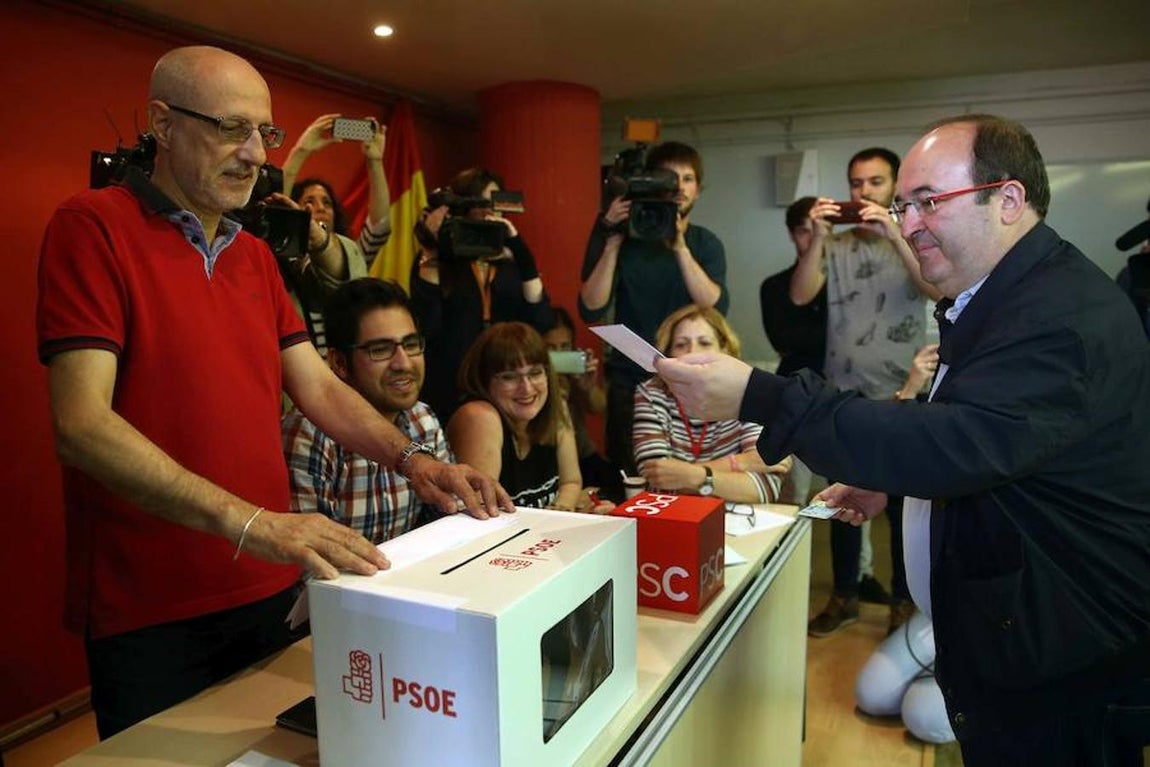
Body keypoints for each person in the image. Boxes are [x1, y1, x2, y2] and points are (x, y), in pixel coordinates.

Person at [35, 46, 508, 739]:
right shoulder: (91, 226)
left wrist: (418, 461)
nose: (256, 153)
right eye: (232, 128)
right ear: (163, 124)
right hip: (152, 603)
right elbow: (79, 422)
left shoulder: (256, 254)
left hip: (268, 586)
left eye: (266, 133)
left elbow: (316, 382)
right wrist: (255, 523)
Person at [655, 114, 1150, 767]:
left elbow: (956, 442)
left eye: (927, 202)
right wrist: (891, 480)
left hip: (1062, 659)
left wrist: (760, 394)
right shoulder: (999, 297)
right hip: (1021, 638)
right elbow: (982, 432)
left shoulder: (1058, 317)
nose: (907, 223)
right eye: (902, 205)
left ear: (1007, 200)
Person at [792, 147, 939, 637]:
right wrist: (817, 236)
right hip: (843, 395)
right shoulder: (834, 243)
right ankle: (845, 595)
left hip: (904, 391)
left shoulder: (916, 236)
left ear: (894, 188)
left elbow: (935, 290)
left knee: (901, 506)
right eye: (856, 183)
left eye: (875, 183)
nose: (863, 192)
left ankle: (902, 600)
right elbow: (800, 294)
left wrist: (895, 231)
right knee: (842, 501)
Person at [579, 140, 728, 476]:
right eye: (669, 178)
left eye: (687, 179)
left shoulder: (705, 243)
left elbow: (714, 309)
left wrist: (679, 246)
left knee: (687, 475)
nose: (678, 187)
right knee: (630, 476)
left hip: (691, 379)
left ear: (698, 189)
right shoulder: (619, 233)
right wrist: (613, 238)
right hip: (630, 379)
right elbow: (591, 306)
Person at [284, 278, 451, 544]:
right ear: (339, 362)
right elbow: (311, 563)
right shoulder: (310, 432)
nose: (403, 363)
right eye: (381, 350)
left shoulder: (423, 419)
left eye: (410, 344)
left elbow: (448, 525)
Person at [411, 167, 554, 420]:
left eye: (495, 203)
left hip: (507, 385)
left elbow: (540, 322)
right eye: (480, 202)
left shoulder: (510, 262)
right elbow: (428, 326)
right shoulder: (436, 262)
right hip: (450, 388)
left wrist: (522, 254)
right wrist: (433, 251)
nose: (489, 211)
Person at [633, 304, 790, 503]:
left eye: (705, 343)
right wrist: (739, 463)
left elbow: (764, 489)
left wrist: (690, 475)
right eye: (681, 345)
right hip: (672, 518)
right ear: (668, 354)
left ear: (725, 350)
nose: (692, 353)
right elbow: (657, 478)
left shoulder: (747, 391)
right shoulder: (651, 393)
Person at [449, 322, 606, 512]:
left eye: (535, 373)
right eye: (509, 377)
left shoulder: (555, 406)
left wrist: (560, 510)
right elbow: (483, 513)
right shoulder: (479, 417)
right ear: (484, 381)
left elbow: (570, 482)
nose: (527, 388)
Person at [282, 113, 392, 264]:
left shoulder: (352, 258)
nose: (321, 208)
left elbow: (380, 226)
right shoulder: (285, 251)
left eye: (327, 203)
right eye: (309, 201)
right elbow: (277, 204)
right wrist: (301, 151)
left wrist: (375, 161)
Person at [541, 307, 623, 500]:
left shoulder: (574, 373)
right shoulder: (532, 383)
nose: (559, 354)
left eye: (565, 346)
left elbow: (599, 407)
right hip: (551, 462)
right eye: (550, 348)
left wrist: (586, 386)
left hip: (584, 454)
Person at [759, 196, 826, 377]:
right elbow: (783, 343)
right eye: (804, 232)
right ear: (791, 234)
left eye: (818, 230)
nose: (813, 239)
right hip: (794, 380)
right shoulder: (774, 286)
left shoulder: (848, 281)